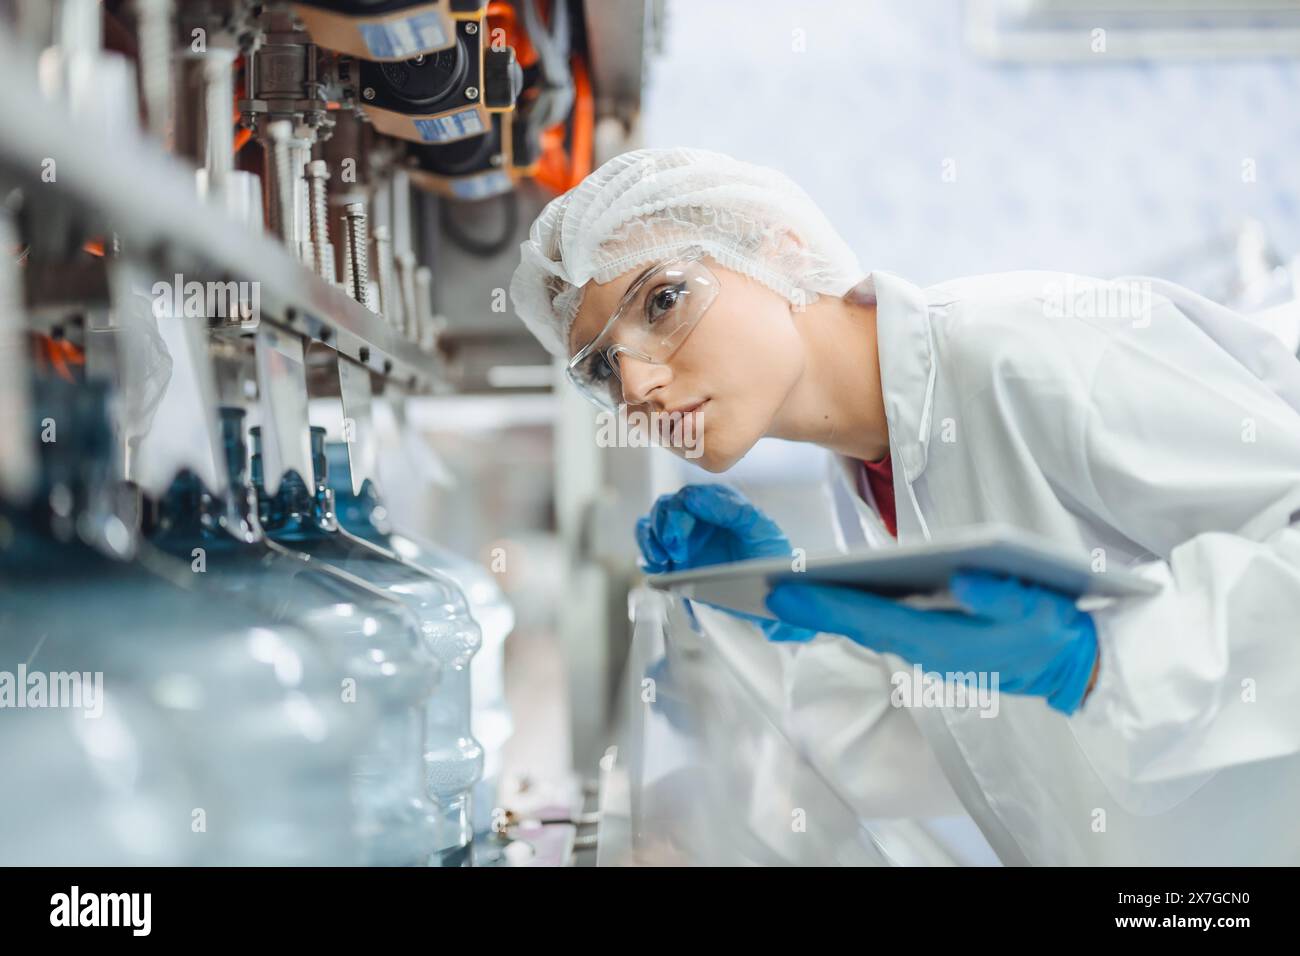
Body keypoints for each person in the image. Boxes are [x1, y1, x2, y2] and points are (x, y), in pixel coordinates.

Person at [509, 146, 1300, 864]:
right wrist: (781, 628)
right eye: (603, 369)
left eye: (662, 302)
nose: (639, 385)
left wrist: (1103, 656)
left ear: (779, 250)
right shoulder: (866, 462)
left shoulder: (1024, 352)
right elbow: (958, 754)